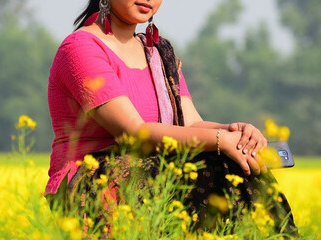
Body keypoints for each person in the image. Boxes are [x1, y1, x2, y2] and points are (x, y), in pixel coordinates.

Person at [45, 0, 297, 234]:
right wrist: (221, 140)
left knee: (241, 165)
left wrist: (235, 133)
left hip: (153, 171)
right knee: (222, 164)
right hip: (93, 179)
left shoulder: (157, 53)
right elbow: (134, 134)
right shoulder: (81, 48)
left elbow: (192, 124)